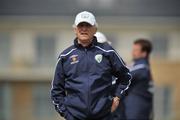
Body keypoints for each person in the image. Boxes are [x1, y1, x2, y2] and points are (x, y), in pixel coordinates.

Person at [51, 11, 132, 120]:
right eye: (80, 25)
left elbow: (126, 77)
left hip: (104, 116)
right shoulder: (65, 56)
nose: (84, 29)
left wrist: (117, 98)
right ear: (75, 29)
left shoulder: (107, 52)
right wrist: (67, 115)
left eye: (88, 25)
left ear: (95, 29)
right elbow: (56, 91)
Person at [114, 39, 153, 120]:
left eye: (136, 50)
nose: (132, 52)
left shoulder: (141, 68)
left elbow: (123, 75)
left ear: (144, 53)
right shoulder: (139, 66)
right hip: (136, 109)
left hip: (135, 110)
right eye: (133, 49)